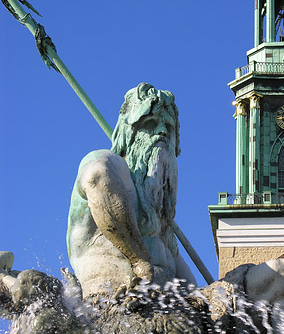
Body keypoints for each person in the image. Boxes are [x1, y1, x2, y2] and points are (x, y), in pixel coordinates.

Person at [67, 83, 196, 297]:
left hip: (165, 314)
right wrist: (137, 260)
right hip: (107, 305)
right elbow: (97, 177)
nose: (162, 132)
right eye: (151, 123)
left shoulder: (161, 222)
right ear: (127, 133)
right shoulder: (112, 165)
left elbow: (193, 291)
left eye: (169, 127)